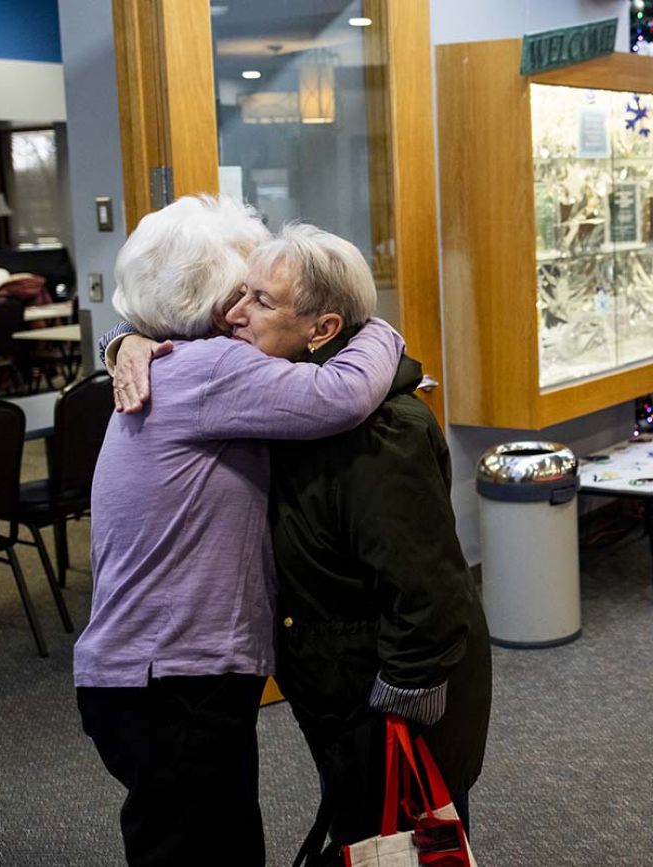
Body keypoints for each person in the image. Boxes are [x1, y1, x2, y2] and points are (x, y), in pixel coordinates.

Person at [112, 225, 492, 867]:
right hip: (336, 680)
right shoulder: (277, 390)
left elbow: (427, 586)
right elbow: (178, 344)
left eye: (260, 300)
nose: (234, 315)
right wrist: (123, 339)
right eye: (241, 293)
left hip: (391, 691)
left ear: (321, 330)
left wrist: (402, 700)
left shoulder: (379, 432)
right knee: (368, 839)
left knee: (402, 843)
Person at [75, 196, 406, 867]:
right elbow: (341, 395)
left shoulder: (166, 361)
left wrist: (120, 336)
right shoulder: (209, 369)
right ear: (213, 299)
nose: (246, 310)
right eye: (242, 293)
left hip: (145, 674)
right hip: (172, 676)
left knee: (197, 837)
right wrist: (377, 329)